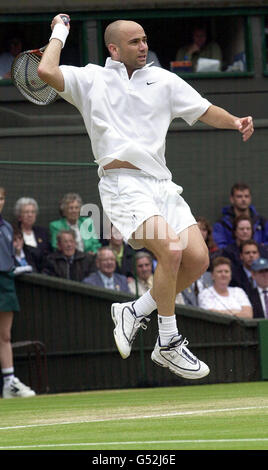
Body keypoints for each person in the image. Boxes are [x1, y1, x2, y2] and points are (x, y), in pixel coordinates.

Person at [38, 14, 254, 380]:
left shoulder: (163, 79)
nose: (144, 46)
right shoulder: (91, 79)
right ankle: (167, 343)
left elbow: (203, 109)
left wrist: (234, 121)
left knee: (198, 259)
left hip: (161, 184)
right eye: (135, 41)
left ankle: (134, 310)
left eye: (145, 40)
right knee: (170, 249)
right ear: (114, 48)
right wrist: (59, 33)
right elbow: (45, 71)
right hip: (122, 184)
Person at [0, 187, 35, 398]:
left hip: (5, 281)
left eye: (1, 198)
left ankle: (9, 382)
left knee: (4, 335)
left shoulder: (6, 228)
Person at [213, 182, 268, 248]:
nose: (243, 199)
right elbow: (220, 246)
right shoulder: (222, 224)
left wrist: (260, 250)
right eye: (239, 196)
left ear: (250, 198)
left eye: (246, 196)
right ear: (232, 199)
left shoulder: (262, 222)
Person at [14, 197, 51, 272]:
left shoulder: (43, 232)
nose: (30, 215)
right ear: (19, 216)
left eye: (33, 212)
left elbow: (48, 254)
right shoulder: (14, 233)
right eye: (26, 212)